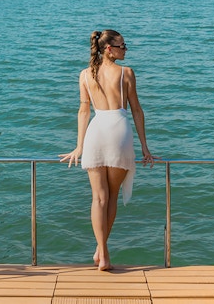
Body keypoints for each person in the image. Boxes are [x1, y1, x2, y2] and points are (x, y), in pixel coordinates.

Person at [59, 29, 156, 271]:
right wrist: (145, 146)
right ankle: (102, 252)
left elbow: (83, 111)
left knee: (98, 198)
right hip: (119, 133)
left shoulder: (84, 75)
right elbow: (136, 111)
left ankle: (102, 252)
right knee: (111, 196)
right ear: (109, 49)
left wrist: (79, 145)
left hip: (96, 132)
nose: (126, 50)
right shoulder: (127, 73)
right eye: (123, 46)